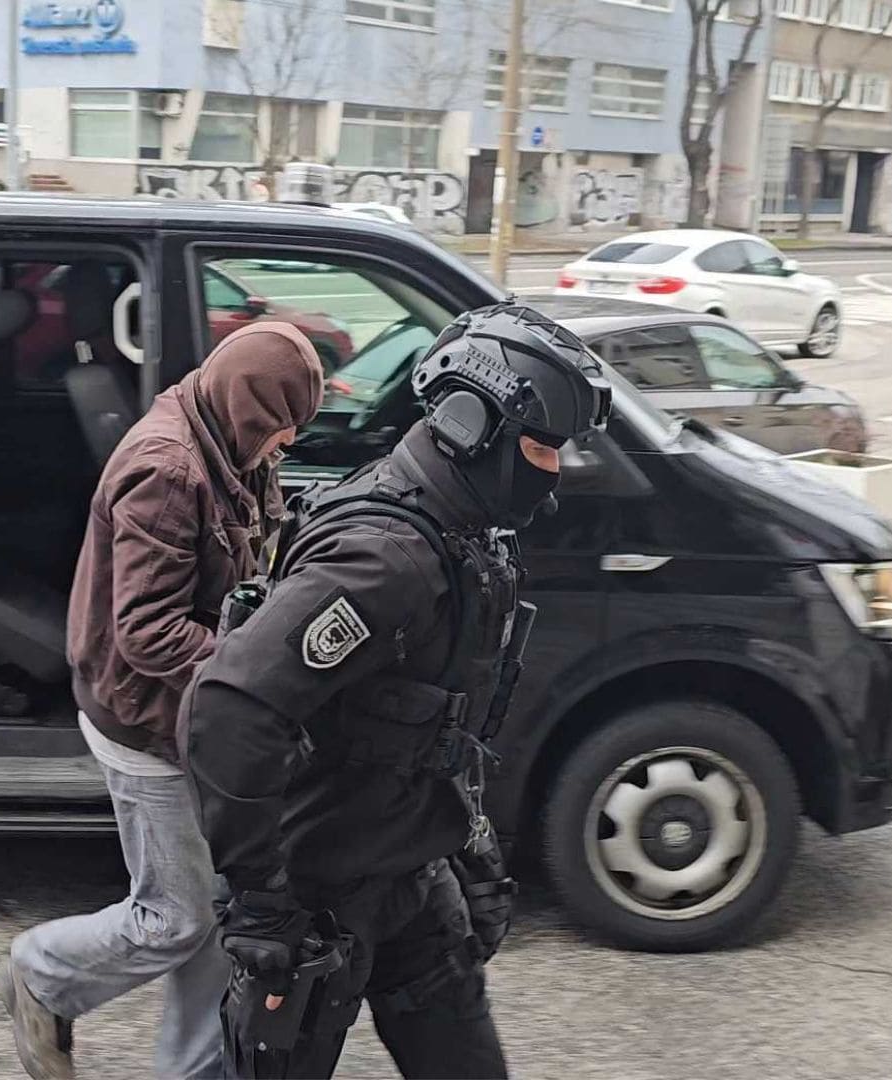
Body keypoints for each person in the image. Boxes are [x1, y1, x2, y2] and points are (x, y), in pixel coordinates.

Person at [182, 302, 610, 1079]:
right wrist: (261, 897)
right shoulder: (387, 562)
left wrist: (468, 841)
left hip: (411, 877)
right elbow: (229, 708)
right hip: (318, 904)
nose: (555, 470)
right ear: (473, 424)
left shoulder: (460, 533)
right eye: (543, 445)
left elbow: (443, 715)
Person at [0, 323, 325, 1080]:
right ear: (249, 405)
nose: (284, 445)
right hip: (144, 720)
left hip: (193, 713)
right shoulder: (169, 469)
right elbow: (147, 633)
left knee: (218, 908)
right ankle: (42, 973)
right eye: (280, 428)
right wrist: (259, 670)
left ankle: (193, 1069)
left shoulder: (228, 438)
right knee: (175, 918)